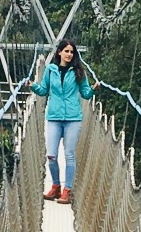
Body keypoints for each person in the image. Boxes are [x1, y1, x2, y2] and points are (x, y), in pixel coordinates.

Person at [30, 38, 94, 203]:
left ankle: (67, 191)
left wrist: (92, 90)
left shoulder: (79, 71)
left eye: (72, 52)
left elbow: (85, 93)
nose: (69, 54)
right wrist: (33, 86)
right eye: (66, 51)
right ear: (59, 52)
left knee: (69, 155)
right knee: (51, 155)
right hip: (54, 117)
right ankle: (56, 186)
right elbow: (44, 91)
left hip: (73, 118)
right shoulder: (50, 70)